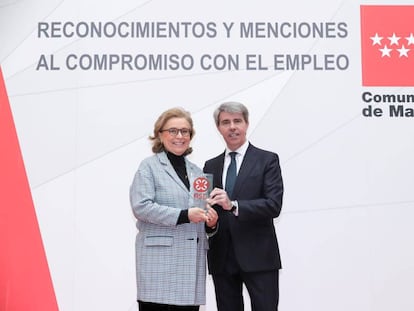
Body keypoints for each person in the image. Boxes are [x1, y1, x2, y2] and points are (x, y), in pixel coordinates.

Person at [130, 107, 218, 311]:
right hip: (159, 264)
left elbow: (199, 212)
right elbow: (141, 207)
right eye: (173, 131)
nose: (180, 136)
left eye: (185, 131)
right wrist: (185, 215)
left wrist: (210, 223)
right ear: (160, 134)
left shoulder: (199, 173)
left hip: (190, 266)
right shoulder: (149, 167)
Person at [204, 102, 284, 311]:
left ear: (246, 124)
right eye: (225, 122)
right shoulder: (210, 166)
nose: (232, 127)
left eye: (237, 121)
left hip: (259, 256)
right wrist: (209, 221)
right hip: (222, 257)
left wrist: (234, 205)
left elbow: (273, 205)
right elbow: (207, 211)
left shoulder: (267, 160)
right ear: (218, 128)